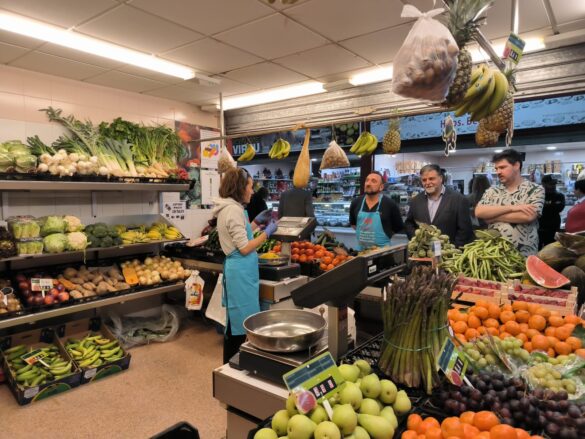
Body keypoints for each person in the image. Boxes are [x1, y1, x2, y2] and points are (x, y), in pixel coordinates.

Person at [213, 168, 278, 363]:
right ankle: (232, 364)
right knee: (241, 324)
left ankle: (233, 363)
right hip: (240, 272)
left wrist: (256, 223)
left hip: (241, 271)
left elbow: (240, 234)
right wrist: (267, 233)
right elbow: (244, 247)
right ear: (240, 187)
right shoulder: (233, 210)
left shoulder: (231, 207)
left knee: (239, 320)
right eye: (250, 186)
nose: (252, 191)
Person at [475, 149, 545, 256]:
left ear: (516, 165)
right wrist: (513, 208)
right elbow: (479, 212)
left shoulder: (535, 189)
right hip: (494, 254)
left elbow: (528, 216)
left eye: (502, 167)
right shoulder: (492, 191)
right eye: (496, 168)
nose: (498, 172)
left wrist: (492, 217)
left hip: (524, 254)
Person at [405, 164, 473, 247]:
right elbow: (409, 223)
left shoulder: (459, 199)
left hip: (449, 252)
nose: (427, 183)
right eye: (424, 180)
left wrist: (452, 249)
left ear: (441, 178)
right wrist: (417, 239)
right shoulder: (416, 201)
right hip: (424, 252)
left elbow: (465, 230)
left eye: (431, 179)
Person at [349, 171, 403, 250]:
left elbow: (398, 227)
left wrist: (384, 236)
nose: (368, 183)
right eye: (367, 180)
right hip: (361, 252)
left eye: (373, 181)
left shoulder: (390, 204)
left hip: (383, 252)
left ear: (381, 187)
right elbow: (353, 224)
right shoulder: (356, 202)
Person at [538, 175, 565, 248]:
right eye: (551, 184)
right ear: (543, 184)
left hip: (553, 228)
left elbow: (559, 208)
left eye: (554, 184)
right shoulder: (537, 196)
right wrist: (551, 205)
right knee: (537, 249)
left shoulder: (559, 196)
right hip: (539, 228)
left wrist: (546, 206)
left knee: (551, 249)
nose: (553, 186)